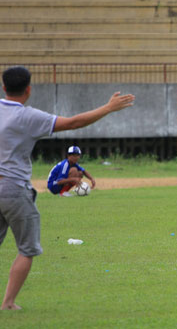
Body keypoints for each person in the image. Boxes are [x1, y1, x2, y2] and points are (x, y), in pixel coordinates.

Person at [0, 66, 134, 310]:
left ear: (3, 87)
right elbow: (73, 123)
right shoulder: (27, 116)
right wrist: (107, 108)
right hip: (13, 189)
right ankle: (8, 303)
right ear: (28, 90)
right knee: (27, 248)